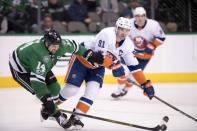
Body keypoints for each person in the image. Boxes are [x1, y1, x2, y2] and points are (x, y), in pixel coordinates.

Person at [56, 17, 155, 130]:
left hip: (98, 67)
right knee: (71, 90)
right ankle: (51, 106)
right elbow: (98, 57)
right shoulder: (106, 34)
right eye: (122, 29)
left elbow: (134, 67)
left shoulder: (128, 45)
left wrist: (145, 84)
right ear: (117, 27)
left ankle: (76, 117)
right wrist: (114, 65)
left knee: (92, 92)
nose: (124, 32)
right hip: (82, 59)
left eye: (127, 30)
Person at [8, 30, 103, 129]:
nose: (56, 48)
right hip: (21, 71)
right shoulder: (38, 54)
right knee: (45, 97)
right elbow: (38, 84)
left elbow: (76, 47)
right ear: (46, 43)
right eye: (53, 45)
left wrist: (90, 55)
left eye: (57, 45)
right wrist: (47, 101)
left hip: (37, 64)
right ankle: (57, 116)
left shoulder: (61, 45)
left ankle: (48, 109)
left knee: (55, 89)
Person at [111, 7, 166, 98]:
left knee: (134, 76)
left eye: (142, 16)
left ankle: (125, 90)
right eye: (137, 16)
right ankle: (119, 90)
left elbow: (162, 38)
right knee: (123, 71)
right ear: (134, 17)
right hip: (130, 53)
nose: (140, 18)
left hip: (145, 55)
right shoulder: (128, 24)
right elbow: (121, 36)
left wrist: (153, 45)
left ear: (145, 16)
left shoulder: (154, 25)